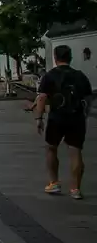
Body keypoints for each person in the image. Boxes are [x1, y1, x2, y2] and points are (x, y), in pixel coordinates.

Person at [33, 45, 93, 200]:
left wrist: (39, 118)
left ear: (55, 57)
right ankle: (76, 189)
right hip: (76, 118)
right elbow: (88, 98)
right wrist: (84, 114)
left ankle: (54, 183)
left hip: (56, 118)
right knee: (75, 151)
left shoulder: (50, 76)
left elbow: (42, 97)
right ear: (70, 57)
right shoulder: (80, 76)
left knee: (51, 149)